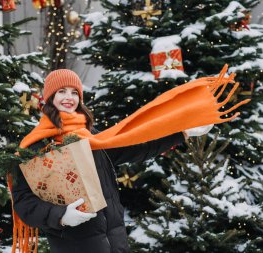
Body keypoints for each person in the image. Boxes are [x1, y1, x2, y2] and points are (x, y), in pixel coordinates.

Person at [11, 69, 214, 253]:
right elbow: (24, 201)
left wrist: (181, 133)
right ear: (50, 97)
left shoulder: (94, 138)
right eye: (62, 91)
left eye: (74, 92)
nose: (69, 97)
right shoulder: (37, 145)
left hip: (115, 243)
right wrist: (61, 215)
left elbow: (139, 146)